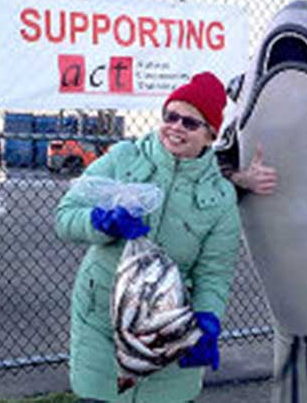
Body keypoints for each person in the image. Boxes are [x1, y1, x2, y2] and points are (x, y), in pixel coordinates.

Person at [56, 72, 241, 403]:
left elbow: (214, 273)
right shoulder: (123, 158)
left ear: (210, 135)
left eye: (190, 122)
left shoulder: (221, 196)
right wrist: (100, 223)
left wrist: (207, 318)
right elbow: (65, 216)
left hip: (166, 331)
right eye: (171, 116)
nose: (176, 127)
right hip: (101, 321)